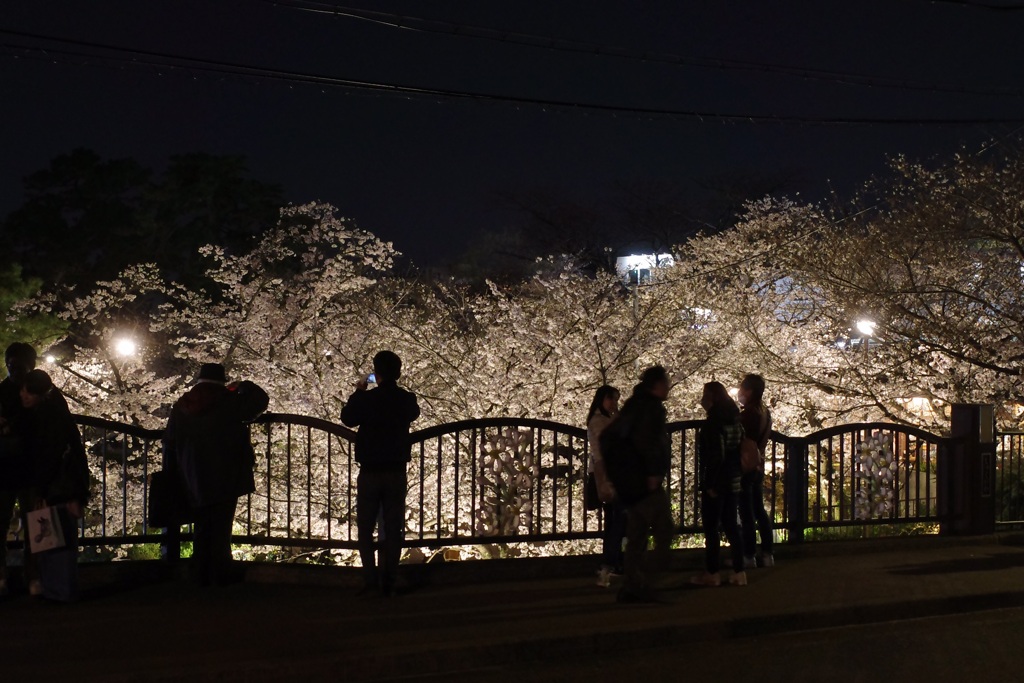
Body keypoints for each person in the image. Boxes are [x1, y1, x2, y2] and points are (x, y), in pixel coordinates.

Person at [163, 363, 269, 586]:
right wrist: (242, 385)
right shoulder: (229, 401)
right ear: (223, 382)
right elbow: (260, 400)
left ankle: (200, 574)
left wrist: (174, 471)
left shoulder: (183, 405)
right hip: (226, 473)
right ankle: (219, 575)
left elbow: (170, 441)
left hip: (192, 474)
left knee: (201, 526)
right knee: (221, 527)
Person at [340, 351, 420, 597]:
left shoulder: (367, 399)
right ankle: (390, 581)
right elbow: (414, 414)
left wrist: (359, 391)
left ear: (377, 373)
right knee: (393, 527)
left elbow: (348, 418)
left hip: (370, 469)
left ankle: (371, 582)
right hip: (395, 468)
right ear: (399, 372)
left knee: (365, 527)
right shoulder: (406, 399)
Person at [0, 343, 69, 597]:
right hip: (10, 469)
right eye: (11, 364)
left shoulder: (47, 394)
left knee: (39, 525)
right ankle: (18, 577)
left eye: (18, 364)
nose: (14, 369)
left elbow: (58, 428)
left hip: (32, 470)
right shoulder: (10, 392)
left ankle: (35, 575)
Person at [603, 366, 675, 603]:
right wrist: (653, 472)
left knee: (637, 533)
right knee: (663, 529)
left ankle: (633, 584)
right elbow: (648, 442)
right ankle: (644, 582)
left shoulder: (634, 405)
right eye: (665, 382)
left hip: (630, 481)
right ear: (656, 385)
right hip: (644, 481)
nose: (668, 387)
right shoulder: (650, 409)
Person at [20, 369, 90, 601]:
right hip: (64, 486)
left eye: (27, 391)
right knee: (58, 538)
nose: (23, 395)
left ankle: (58, 590)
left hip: (57, 487)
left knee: (53, 538)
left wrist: (41, 490)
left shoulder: (47, 416)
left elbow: (48, 456)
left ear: (38, 392)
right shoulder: (55, 411)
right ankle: (61, 589)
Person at [692, 381, 747, 587]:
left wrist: (709, 483)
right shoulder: (735, 421)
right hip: (734, 479)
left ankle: (712, 572)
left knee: (711, 527)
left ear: (713, 398)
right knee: (732, 525)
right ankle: (739, 571)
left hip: (718, 482)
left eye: (705, 395)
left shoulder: (714, 424)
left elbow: (716, 456)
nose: (702, 399)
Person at [586, 385, 624, 588]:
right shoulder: (598, 421)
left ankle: (612, 562)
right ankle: (610, 563)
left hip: (612, 472)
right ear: (601, 399)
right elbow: (601, 452)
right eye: (611, 399)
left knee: (613, 519)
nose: (614, 403)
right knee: (616, 519)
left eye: (616, 399)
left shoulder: (609, 418)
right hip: (606, 473)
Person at [737, 374, 775, 569]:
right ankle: (767, 553)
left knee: (747, 513)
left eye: (742, 389)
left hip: (747, 467)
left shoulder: (748, 414)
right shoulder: (765, 412)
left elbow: (744, 441)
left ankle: (749, 555)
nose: (739, 393)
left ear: (749, 392)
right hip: (759, 465)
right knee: (759, 510)